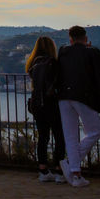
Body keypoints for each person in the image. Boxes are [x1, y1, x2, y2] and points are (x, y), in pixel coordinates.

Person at [57, 25, 100, 188]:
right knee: (95, 132)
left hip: (64, 97)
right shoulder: (92, 53)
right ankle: (70, 165)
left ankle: (75, 173)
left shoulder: (63, 52)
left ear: (70, 38)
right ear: (85, 38)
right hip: (84, 97)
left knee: (70, 136)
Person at [25, 35, 65, 183]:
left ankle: (43, 169)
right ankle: (59, 170)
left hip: (37, 104)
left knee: (43, 137)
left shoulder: (33, 64)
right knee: (59, 136)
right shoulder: (53, 63)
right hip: (52, 104)